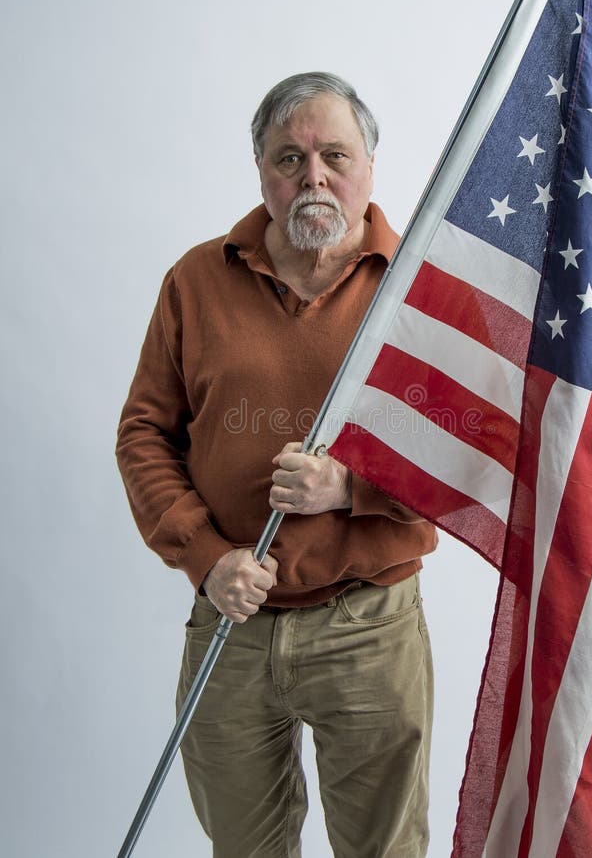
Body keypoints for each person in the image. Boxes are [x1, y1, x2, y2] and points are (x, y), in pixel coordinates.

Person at [116, 71, 438, 858]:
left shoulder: (421, 291)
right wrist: (204, 557)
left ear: (371, 165)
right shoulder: (195, 282)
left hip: (368, 627)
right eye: (288, 159)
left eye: (335, 154)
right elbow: (144, 436)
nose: (313, 177)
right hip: (232, 619)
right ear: (260, 170)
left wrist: (350, 487)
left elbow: (464, 455)